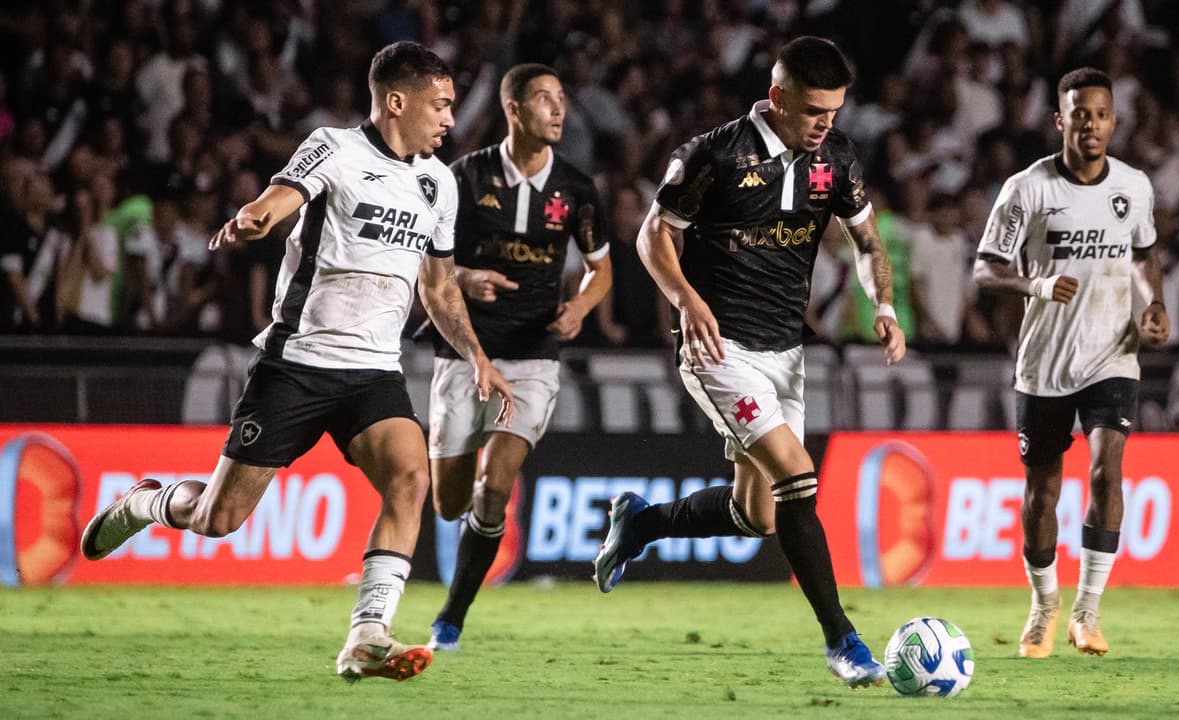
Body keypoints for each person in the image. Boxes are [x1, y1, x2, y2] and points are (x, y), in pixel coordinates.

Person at [79, 41, 513, 683]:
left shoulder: (438, 182)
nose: (450, 119)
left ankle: (368, 634)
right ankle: (147, 501)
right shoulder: (334, 148)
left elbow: (439, 285)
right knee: (218, 519)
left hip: (373, 372)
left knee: (409, 478)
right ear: (397, 101)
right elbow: (280, 197)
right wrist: (254, 219)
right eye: (441, 105)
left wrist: (476, 353)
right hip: (297, 365)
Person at [592, 37, 906, 690]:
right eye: (815, 110)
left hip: (783, 352)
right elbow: (654, 235)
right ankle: (842, 641)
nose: (827, 124)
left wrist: (884, 306)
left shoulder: (836, 158)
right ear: (778, 98)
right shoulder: (715, 154)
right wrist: (685, 301)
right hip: (718, 347)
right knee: (797, 475)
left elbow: (868, 243)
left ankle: (640, 523)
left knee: (757, 515)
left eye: (836, 111)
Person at [972, 67, 1168, 658]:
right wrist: (1036, 284)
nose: (1091, 124)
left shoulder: (1134, 186)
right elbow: (985, 268)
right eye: (1079, 113)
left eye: (1101, 114)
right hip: (1045, 363)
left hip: (1113, 353)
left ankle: (1087, 609)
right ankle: (1043, 604)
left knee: (1108, 469)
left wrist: (1153, 303)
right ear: (1060, 120)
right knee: (1042, 492)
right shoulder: (1027, 189)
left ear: (1113, 120)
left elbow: (1144, 255)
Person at [422, 63, 612, 651]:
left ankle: (452, 616)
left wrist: (579, 309)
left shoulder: (576, 190)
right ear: (513, 109)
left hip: (533, 358)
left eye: (562, 100)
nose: (559, 111)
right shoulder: (465, 178)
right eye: (545, 100)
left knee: (494, 485)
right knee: (449, 501)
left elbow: (602, 270)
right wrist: (469, 275)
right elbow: (430, 267)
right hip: (464, 355)